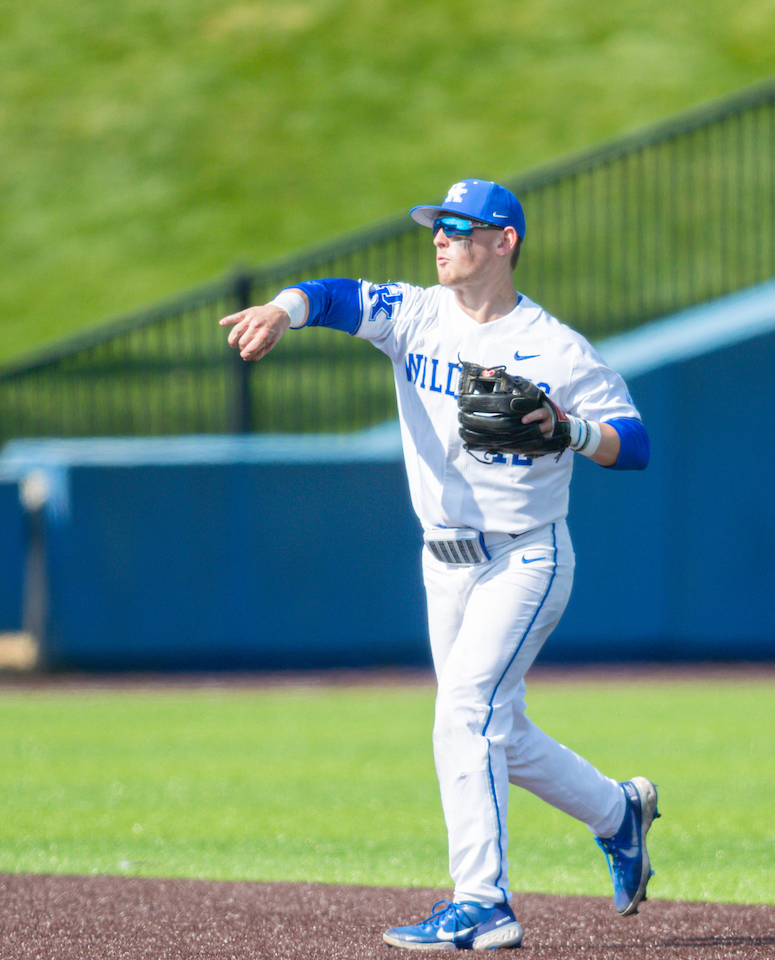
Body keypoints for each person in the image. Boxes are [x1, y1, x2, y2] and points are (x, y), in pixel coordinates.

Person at [220, 179, 659, 951]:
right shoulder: (417, 313)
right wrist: (282, 311)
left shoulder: (555, 347)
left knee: (462, 712)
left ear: (504, 241)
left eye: (459, 226)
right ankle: (618, 813)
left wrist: (571, 431)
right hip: (443, 562)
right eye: (437, 226)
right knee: (496, 728)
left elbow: (636, 443)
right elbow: (334, 296)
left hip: (524, 556)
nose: (440, 237)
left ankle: (483, 903)